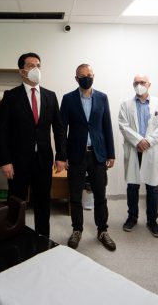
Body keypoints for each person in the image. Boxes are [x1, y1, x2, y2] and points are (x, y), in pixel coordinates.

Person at [0, 52, 66, 238]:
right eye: (31, 66)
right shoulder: (10, 97)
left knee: (43, 202)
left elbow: (59, 129)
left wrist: (61, 156)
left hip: (43, 159)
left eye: (38, 65)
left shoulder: (50, 96)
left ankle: (43, 240)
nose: (36, 69)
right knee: (16, 202)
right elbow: (2, 131)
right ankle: (15, 240)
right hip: (17, 161)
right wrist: (5, 161)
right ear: (21, 71)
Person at [59, 64, 117, 251]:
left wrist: (111, 153)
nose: (86, 78)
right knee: (75, 195)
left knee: (100, 194)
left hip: (97, 154)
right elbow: (62, 130)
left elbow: (107, 126)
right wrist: (62, 156)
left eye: (89, 75)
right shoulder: (68, 99)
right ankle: (77, 230)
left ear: (93, 76)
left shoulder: (102, 97)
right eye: (82, 75)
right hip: (76, 154)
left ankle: (102, 230)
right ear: (76, 78)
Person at [117, 74, 158, 238]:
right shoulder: (126, 105)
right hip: (134, 149)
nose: (139, 85)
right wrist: (138, 141)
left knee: (152, 187)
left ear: (149, 84)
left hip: (151, 150)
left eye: (142, 82)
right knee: (132, 186)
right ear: (133, 85)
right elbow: (123, 125)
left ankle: (152, 221)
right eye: (136, 83)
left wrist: (149, 141)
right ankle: (132, 217)